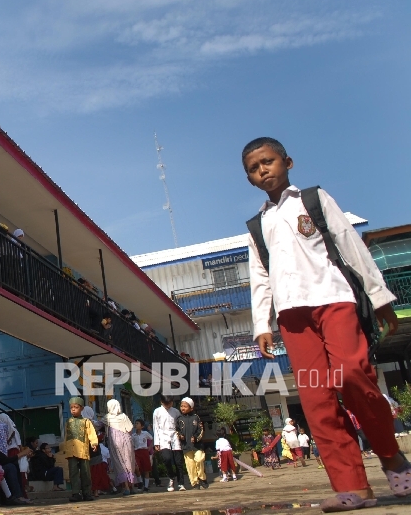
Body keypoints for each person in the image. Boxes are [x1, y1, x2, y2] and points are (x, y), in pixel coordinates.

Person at [243, 137, 410, 511]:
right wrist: (261, 323)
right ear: (250, 179)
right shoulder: (258, 224)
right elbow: (259, 276)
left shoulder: (314, 200)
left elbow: (350, 243)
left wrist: (379, 296)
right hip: (293, 317)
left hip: (334, 301)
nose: (262, 171)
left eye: (267, 162)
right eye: (253, 169)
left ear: (287, 162)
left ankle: (392, 457)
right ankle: (352, 486)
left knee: (353, 375)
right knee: (316, 400)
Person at [62, 397, 98, 502]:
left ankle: (87, 493)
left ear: (81, 409)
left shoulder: (86, 421)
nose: (73, 409)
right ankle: (76, 493)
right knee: (73, 472)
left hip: (83, 450)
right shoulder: (68, 421)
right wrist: (65, 447)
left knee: (85, 472)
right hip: (71, 451)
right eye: (71, 408)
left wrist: (94, 443)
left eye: (76, 407)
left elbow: (91, 433)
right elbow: (66, 436)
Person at [0, 414, 32, 504]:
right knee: (10, 467)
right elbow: (3, 460)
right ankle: (17, 496)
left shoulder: (1, 444)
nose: (5, 434)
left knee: (13, 465)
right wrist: (20, 454)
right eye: (4, 432)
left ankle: (18, 495)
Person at [105, 399, 138, 496]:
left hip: (115, 443)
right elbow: (130, 429)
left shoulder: (108, 417)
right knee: (129, 462)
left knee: (119, 463)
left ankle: (126, 487)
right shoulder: (124, 416)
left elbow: (98, 425)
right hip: (127, 441)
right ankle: (132, 486)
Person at [153, 394, 186, 492]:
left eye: (170, 403)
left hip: (175, 435)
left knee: (178, 461)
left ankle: (181, 483)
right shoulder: (157, 411)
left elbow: (180, 425)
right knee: (166, 458)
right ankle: (171, 477)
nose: (168, 406)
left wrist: (181, 435)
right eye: (166, 404)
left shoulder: (176, 411)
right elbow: (155, 427)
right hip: (163, 436)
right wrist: (156, 442)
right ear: (162, 402)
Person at [176, 397, 207, 490]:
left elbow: (201, 430)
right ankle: (194, 483)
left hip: (197, 445)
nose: (183, 408)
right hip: (186, 446)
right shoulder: (179, 419)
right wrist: (180, 436)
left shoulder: (196, 417)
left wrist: (196, 438)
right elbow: (177, 430)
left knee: (199, 459)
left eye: (185, 406)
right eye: (181, 406)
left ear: (191, 408)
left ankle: (202, 477)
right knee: (190, 465)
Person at [83, 406, 110, 496]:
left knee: (88, 471)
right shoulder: (94, 423)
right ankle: (96, 490)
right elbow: (103, 427)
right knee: (97, 470)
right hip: (95, 449)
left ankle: (91, 490)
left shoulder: (80, 424)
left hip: (85, 449)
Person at [132, 418, 153, 492]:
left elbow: (152, 439)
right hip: (137, 452)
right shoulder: (133, 436)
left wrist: (149, 448)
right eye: (135, 423)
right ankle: (140, 482)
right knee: (136, 468)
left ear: (142, 426)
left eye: (138, 423)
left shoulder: (145, 433)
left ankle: (146, 486)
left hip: (144, 451)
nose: (136, 425)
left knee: (146, 469)